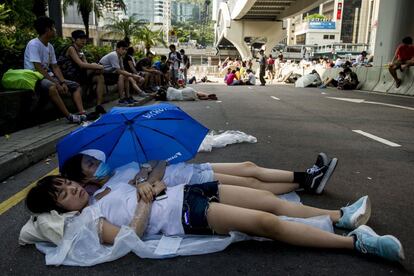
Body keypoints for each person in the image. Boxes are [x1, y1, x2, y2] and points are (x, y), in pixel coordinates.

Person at [25, 173, 404, 263]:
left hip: (189, 190)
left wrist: (144, 181)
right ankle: (357, 244)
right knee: (266, 224)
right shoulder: (88, 221)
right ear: (59, 209)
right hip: (185, 214)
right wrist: (146, 201)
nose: (71, 188)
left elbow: (149, 174)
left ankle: (340, 214)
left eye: (66, 182)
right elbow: (128, 237)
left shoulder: (104, 188)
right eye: (61, 193)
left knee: (266, 200)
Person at [61, 151, 338, 201]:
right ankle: (307, 181)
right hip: (191, 184)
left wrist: (148, 174)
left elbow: (158, 166)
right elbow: (154, 181)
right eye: (90, 164)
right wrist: (148, 176)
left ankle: (306, 178)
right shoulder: (110, 190)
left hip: (191, 170)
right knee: (253, 185)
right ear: (85, 179)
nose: (97, 162)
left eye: (94, 159)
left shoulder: (120, 168)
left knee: (249, 165)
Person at [24, 16, 86, 124]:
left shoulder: (50, 47)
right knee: (53, 88)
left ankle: (82, 112)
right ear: (48, 30)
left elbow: (55, 67)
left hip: (48, 76)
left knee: (75, 86)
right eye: (53, 28)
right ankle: (69, 116)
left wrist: (62, 82)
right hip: (35, 76)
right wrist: (56, 83)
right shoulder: (34, 44)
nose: (55, 30)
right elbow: (38, 68)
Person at [58, 30, 106, 113]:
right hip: (69, 75)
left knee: (100, 77)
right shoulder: (71, 48)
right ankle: (90, 93)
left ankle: (98, 105)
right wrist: (98, 66)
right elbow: (81, 65)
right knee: (97, 67)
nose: (84, 40)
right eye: (81, 38)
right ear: (74, 39)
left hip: (79, 74)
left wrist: (96, 67)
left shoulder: (80, 51)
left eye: (84, 38)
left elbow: (86, 64)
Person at [99, 40, 135, 106]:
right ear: (117, 49)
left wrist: (130, 75)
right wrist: (132, 75)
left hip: (110, 74)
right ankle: (121, 99)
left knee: (125, 76)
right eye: (123, 49)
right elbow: (119, 71)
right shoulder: (114, 55)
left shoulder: (120, 57)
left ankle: (127, 97)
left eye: (126, 50)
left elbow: (123, 69)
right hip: (102, 74)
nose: (124, 51)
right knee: (121, 76)